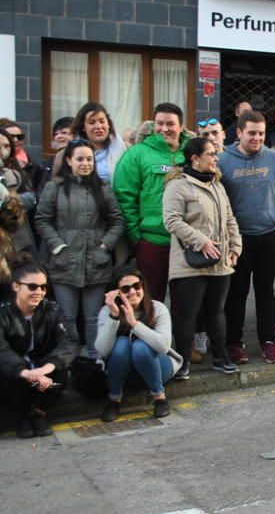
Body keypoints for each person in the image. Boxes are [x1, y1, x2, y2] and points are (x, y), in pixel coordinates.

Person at [218, 110, 275, 366]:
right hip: (238, 239)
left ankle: (267, 341)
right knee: (237, 293)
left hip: (270, 236)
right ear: (239, 132)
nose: (257, 138)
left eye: (261, 133)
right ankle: (234, 343)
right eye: (251, 133)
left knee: (266, 292)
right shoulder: (222, 161)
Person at [34, 139, 125, 359]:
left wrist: (104, 246)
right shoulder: (54, 187)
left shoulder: (103, 188)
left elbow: (117, 221)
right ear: (68, 160)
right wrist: (58, 247)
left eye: (89, 159)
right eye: (80, 159)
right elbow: (42, 220)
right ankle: (69, 358)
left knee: (93, 315)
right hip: (64, 261)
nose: (85, 163)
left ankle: (93, 358)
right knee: (67, 315)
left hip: (97, 261)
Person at [162, 137, 242, 379]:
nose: (215, 158)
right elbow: (171, 220)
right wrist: (202, 241)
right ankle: (183, 361)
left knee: (217, 311)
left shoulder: (217, 185)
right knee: (188, 312)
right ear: (195, 159)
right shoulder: (178, 186)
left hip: (220, 261)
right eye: (210, 154)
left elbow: (230, 219)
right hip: (190, 262)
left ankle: (220, 357)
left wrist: (235, 247)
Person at [113, 102, 193, 302]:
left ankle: (184, 334)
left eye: (170, 124)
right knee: (150, 300)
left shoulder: (192, 153)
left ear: (180, 126)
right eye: (159, 123)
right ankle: (150, 333)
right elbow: (124, 197)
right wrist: (137, 237)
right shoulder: (136, 154)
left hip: (187, 242)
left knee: (185, 301)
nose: (164, 129)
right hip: (152, 241)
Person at [0, 254, 77, 438]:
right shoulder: (3, 312)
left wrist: (47, 367)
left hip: (43, 376)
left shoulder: (52, 309)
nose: (39, 292)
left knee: (60, 372)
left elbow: (70, 341)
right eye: (33, 286)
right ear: (16, 286)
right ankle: (24, 414)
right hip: (16, 377)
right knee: (6, 373)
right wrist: (26, 373)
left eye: (43, 287)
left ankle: (39, 412)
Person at [95, 268, 182, 421]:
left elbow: (163, 346)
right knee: (122, 344)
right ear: (117, 293)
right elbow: (102, 350)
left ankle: (159, 398)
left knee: (140, 345)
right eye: (125, 288)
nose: (133, 292)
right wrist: (114, 316)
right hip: (125, 374)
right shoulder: (107, 311)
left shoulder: (158, 308)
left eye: (137, 285)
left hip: (159, 368)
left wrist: (134, 324)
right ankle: (114, 401)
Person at [1, 128, 36, 256]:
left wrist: (11, 201)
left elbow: (31, 198)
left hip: (18, 237)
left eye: (6, 146)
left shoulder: (20, 172)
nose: (2, 150)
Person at [32, 117, 73, 193]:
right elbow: (42, 187)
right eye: (56, 134)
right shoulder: (50, 161)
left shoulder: (80, 159)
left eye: (64, 133)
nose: (58, 137)